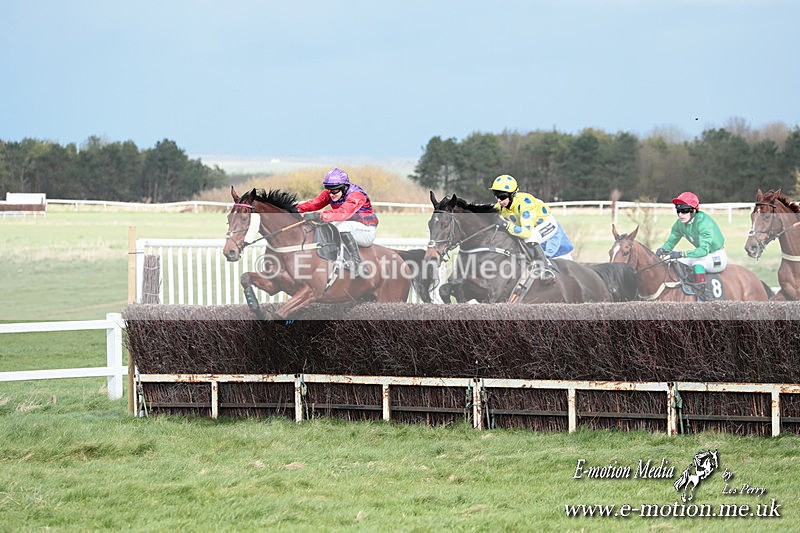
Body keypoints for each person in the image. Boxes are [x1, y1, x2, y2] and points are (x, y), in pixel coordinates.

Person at [488, 174, 574, 282]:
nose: (499, 200)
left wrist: (506, 225)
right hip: (534, 228)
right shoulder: (501, 205)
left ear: (512, 194)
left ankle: (545, 270)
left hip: (547, 225)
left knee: (529, 237)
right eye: (496, 195)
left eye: (502, 196)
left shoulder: (525, 205)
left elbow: (526, 233)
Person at [297, 168, 378, 275]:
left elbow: (343, 213)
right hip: (349, 227)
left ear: (344, 187)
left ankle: (358, 264)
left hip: (366, 231)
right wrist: (296, 208)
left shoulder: (356, 195)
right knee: (326, 225)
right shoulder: (332, 192)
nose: (331, 194)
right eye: (329, 190)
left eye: (335, 190)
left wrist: (319, 215)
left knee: (342, 226)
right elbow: (315, 203)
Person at [655, 191, 727, 286]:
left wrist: (681, 253)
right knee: (672, 262)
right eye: (678, 211)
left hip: (717, 256)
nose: (680, 214)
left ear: (693, 210)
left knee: (698, 264)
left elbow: (703, 251)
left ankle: (703, 294)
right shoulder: (679, 224)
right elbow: (670, 243)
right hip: (701, 255)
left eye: (684, 210)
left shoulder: (704, 223)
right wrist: (663, 250)